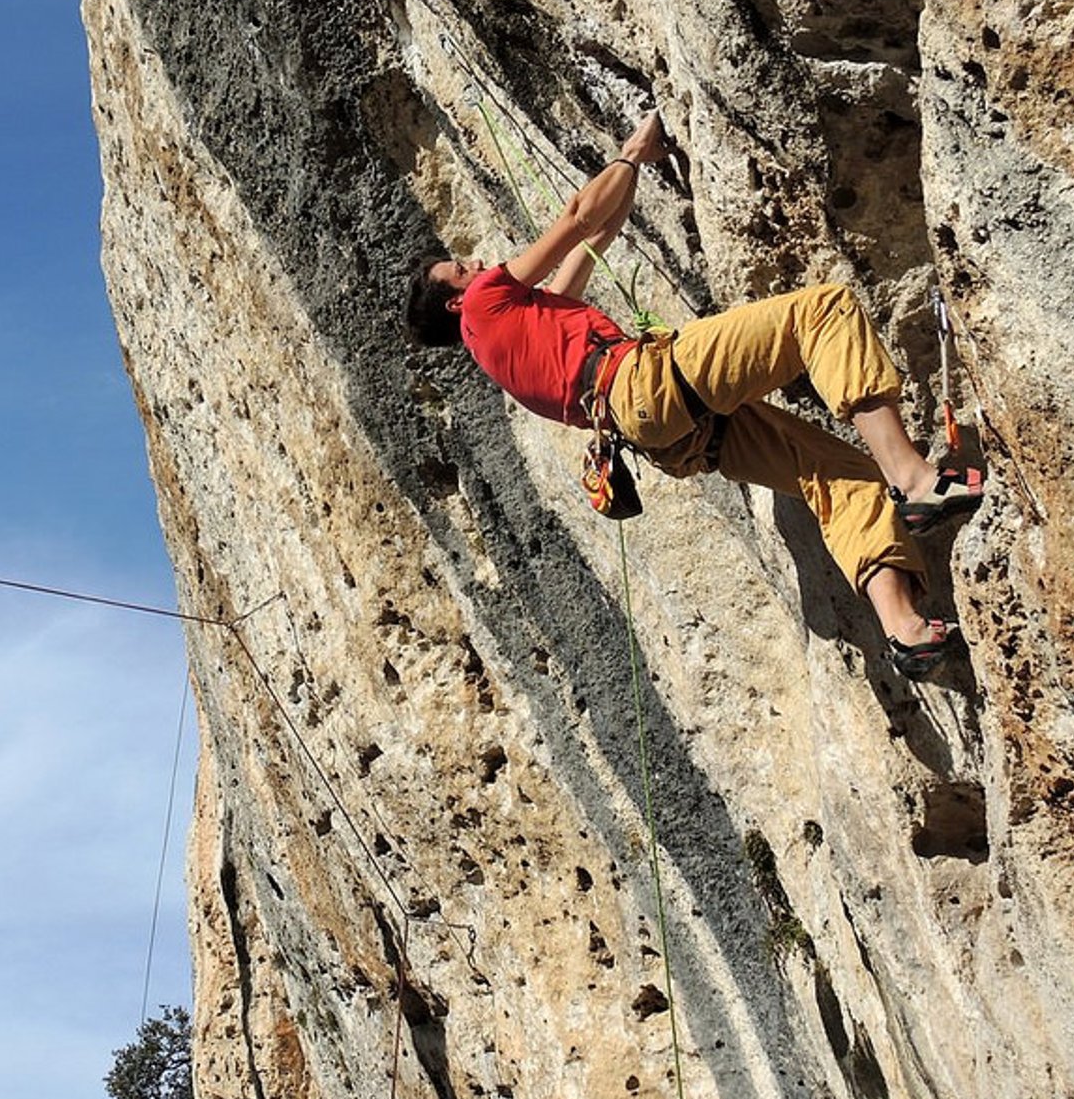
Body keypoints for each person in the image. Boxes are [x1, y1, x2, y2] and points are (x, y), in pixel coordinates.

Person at [404, 112, 982, 678]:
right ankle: (912, 478)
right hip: (643, 385)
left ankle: (904, 629)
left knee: (835, 472)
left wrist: (635, 169)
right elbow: (577, 217)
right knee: (820, 311)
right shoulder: (485, 298)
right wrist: (630, 152)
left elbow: (599, 234)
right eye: (461, 267)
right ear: (457, 300)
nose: (476, 263)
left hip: (664, 435)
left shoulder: (503, 344)